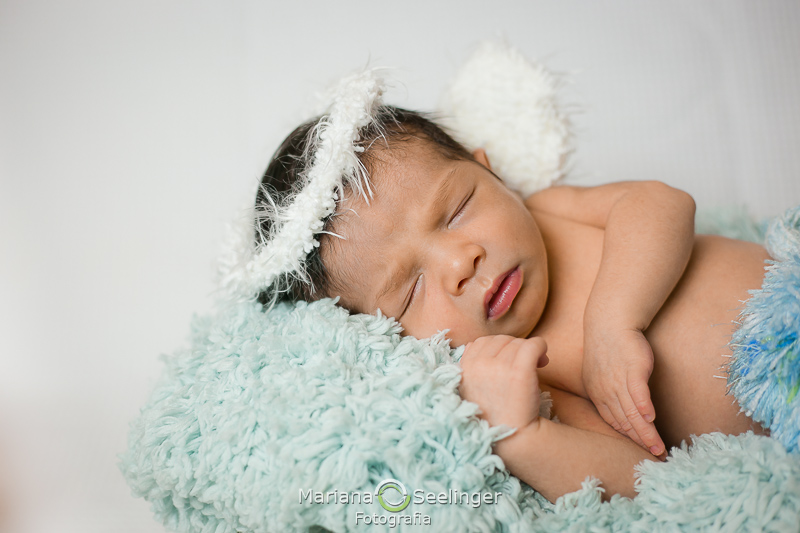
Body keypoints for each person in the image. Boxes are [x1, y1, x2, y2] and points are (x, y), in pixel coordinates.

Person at [253, 105, 769, 502]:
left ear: (490, 172)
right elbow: (641, 477)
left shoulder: (552, 209)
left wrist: (614, 322)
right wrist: (524, 436)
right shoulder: (524, 371)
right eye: (411, 290)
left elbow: (663, 202)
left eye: (456, 210)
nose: (461, 262)